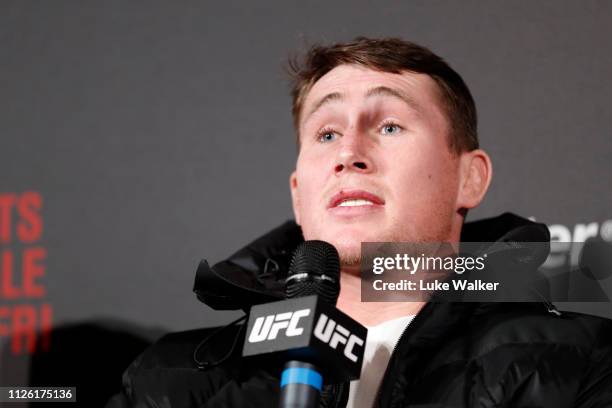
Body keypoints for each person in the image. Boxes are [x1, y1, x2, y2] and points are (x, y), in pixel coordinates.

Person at [106, 37, 612, 407]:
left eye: (389, 125)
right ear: (299, 194)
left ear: (469, 179)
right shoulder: (167, 381)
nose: (349, 153)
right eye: (326, 134)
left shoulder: (580, 363)